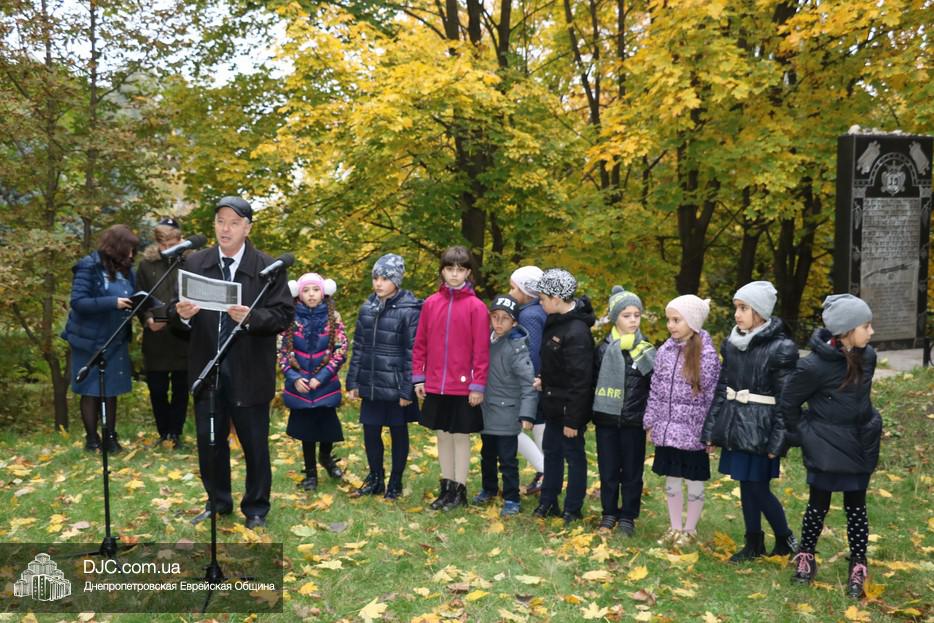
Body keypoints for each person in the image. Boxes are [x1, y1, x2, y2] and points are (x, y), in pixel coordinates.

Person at [170, 196, 293, 530]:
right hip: (207, 369)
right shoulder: (195, 263)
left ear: (247, 228)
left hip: (249, 371)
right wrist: (182, 316)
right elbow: (172, 313)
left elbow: (284, 315)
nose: (226, 229)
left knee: (254, 444)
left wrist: (253, 318)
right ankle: (217, 501)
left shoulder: (268, 268)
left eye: (234, 223)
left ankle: (256, 508)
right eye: (220, 221)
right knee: (210, 442)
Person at [780, 294, 881, 598]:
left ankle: (859, 563)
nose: (872, 331)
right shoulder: (813, 366)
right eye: (866, 326)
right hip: (824, 447)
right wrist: (805, 433)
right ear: (847, 330)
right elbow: (788, 403)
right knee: (817, 505)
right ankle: (806, 555)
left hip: (859, 444)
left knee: (857, 508)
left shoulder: (868, 356)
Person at [701, 281, 799, 561]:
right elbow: (723, 387)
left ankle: (785, 537)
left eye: (743, 308)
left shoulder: (781, 348)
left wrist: (779, 440)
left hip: (761, 429)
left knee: (757, 486)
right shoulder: (733, 344)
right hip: (736, 425)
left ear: (760, 312)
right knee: (745, 484)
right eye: (736, 308)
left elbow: (787, 399)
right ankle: (753, 541)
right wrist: (711, 430)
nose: (737, 314)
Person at [412, 245, 489, 511]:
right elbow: (420, 343)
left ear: (468, 273)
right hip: (435, 383)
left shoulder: (477, 307)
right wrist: (419, 377)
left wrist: (478, 384)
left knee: (460, 436)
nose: (455, 274)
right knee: (443, 434)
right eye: (450, 269)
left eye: (460, 269)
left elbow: (481, 350)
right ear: (442, 271)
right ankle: (445, 488)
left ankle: (460, 490)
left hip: (464, 386)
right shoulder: (431, 303)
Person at [643, 294, 719, 548]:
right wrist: (651, 421)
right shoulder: (664, 351)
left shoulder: (707, 355)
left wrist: (711, 433)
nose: (670, 325)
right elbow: (655, 389)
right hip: (668, 430)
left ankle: (690, 529)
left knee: (694, 481)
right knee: (672, 480)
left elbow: (712, 397)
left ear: (693, 321)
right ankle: (675, 527)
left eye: (677, 320)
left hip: (694, 434)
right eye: (669, 320)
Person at [345, 254, 422, 499]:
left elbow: (412, 352)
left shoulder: (409, 311)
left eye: (385, 279)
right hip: (371, 382)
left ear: (396, 281)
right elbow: (359, 346)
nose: (378, 283)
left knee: (398, 431)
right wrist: (353, 380)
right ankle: (375, 477)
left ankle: (395, 481)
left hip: (396, 384)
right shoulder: (367, 309)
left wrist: (407, 389)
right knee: (371, 431)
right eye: (376, 278)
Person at [62, 224, 140, 454]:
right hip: (88, 339)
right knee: (91, 389)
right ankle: (91, 439)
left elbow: (134, 295)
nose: (132, 254)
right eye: (128, 249)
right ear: (117, 247)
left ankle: (110, 437)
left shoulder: (127, 270)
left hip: (116, 338)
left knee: (111, 389)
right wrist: (112, 303)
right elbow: (79, 302)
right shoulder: (89, 266)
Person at [531, 268, 595, 525]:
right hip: (553, 403)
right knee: (552, 452)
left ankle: (572, 507)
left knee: (574, 456)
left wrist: (573, 420)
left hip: (570, 409)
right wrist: (544, 379)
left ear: (557, 299)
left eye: (543, 298)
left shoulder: (577, 331)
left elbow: (581, 380)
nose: (540, 302)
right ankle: (548, 501)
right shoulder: (555, 321)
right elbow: (556, 363)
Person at [592, 286, 656, 536]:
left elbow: (655, 387)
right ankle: (609, 512)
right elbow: (593, 382)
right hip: (606, 420)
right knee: (608, 470)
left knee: (632, 472)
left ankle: (628, 515)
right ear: (614, 317)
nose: (632, 320)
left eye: (636, 315)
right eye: (626, 315)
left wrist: (650, 419)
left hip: (634, 421)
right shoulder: (603, 349)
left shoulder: (646, 350)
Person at [279, 273, 347, 492]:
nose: (311, 294)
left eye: (315, 290)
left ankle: (325, 457)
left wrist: (322, 376)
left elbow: (341, 351)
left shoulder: (333, 318)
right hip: (300, 387)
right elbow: (281, 352)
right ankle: (310, 474)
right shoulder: (290, 319)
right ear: (298, 294)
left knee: (329, 430)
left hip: (324, 385)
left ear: (324, 292)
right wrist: (294, 377)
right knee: (306, 433)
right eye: (306, 290)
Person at [473, 294, 538, 516]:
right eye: (495, 317)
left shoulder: (516, 349)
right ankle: (489, 488)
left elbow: (528, 384)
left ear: (514, 322)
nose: (499, 322)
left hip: (508, 413)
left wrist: (527, 414)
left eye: (505, 318)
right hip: (487, 410)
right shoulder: (485, 341)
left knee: (508, 460)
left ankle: (511, 498)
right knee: (487, 455)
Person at [136, 218, 190, 449]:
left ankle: (175, 433)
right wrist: (147, 319)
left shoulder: (189, 262)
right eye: (164, 245)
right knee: (157, 389)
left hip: (183, 335)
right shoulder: (146, 265)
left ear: (180, 240)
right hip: (156, 338)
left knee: (180, 390)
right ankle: (163, 432)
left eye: (173, 244)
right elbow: (139, 297)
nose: (168, 249)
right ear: (157, 243)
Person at [508, 266, 547, 494]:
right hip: (539, 382)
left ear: (527, 291)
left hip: (530, 383)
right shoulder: (539, 310)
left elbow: (531, 352)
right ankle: (546, 473)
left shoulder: (529, 316)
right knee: (540, 424)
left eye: (513, 288)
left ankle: (545, 470)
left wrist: (526, 381)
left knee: (510, 427)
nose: (510, 293)